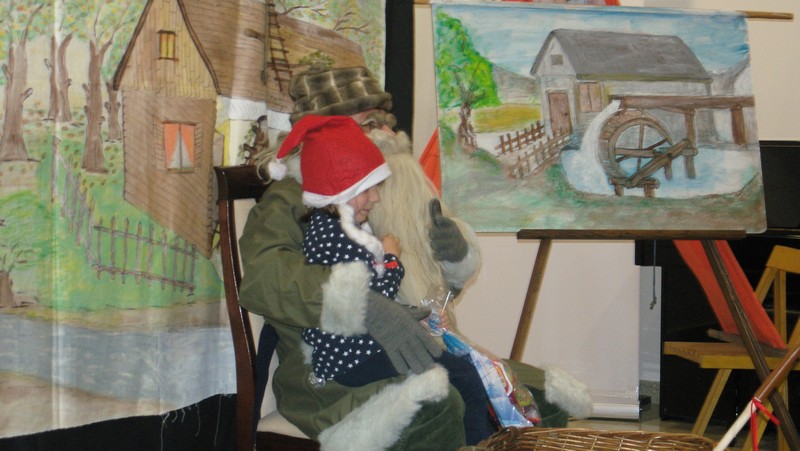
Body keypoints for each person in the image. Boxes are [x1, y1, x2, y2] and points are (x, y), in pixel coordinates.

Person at [239, 65, 590, 450]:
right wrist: (366, 306)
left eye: (385, 122)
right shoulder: (294, 200)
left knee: (539, 397)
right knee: (441, 403)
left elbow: (430, 297)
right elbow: (264, 280)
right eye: (369, 123)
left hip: (417, 344)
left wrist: (452, 259)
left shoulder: (391, 188)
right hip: (336, 372)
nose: (387, 133)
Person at [271, 114, 496, 444]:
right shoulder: (336, 239)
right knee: (465, 376)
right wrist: (391, 259)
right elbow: (373, 297)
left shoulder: (337, 229)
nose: (376, 198)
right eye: (368, 189)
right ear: (340, 190)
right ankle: (480, 444)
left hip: (360, 350)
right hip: (353, 358)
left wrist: (420, 317)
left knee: (460, 372)